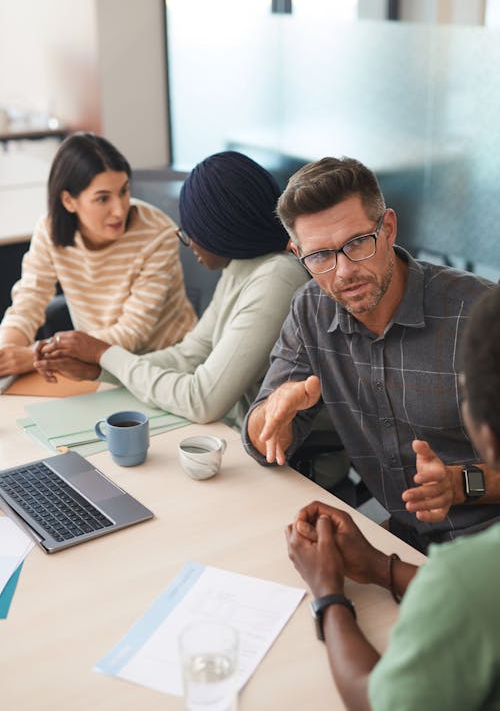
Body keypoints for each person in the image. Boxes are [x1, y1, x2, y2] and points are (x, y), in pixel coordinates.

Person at [243, 156, 498, 552]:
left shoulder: (481, 314)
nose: (343, 272)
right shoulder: (310, 309)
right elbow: (264, 442)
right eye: (320, 256)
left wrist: (459, 485)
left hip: (485, 548)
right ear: (298, 253)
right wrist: (275, 409)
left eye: (357, 243)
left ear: (389, 228)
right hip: (401, 540)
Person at [285, 284, 500, 711]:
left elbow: (375, 702)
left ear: (479, 425)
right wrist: (381, 568)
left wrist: (327, 594)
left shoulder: (468, 574)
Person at [34, 151, 309, 429]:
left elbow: (202, 400)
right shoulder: (241, 266)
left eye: (189, 233)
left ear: (221, 231)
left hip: (289, 465)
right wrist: (100, 369)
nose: (188, 244)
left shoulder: (276, 279)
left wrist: (103, 354)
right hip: (236, 437)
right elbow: (189, 355)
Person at [0, 133, 196, 376]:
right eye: (103, 198)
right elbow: (28, 302)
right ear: (69, 201)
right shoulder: (50, 231)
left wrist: (34, 356)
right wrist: (7, 351)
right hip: (93, 363)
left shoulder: (158, 234)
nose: (119, 209)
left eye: (124, 191)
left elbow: (132, 333)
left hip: (161, 366)